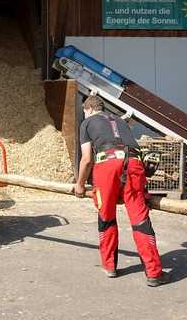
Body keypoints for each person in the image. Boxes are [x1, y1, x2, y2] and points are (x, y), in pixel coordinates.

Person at [74, 95, 168, 287]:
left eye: (85, 112)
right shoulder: (119, 120)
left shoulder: (87, 123)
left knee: (106, 217)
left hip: (106, 164)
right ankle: (154, 274)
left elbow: (86, 159)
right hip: (134, 164)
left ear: (89, 109)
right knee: (140, 220)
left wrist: (80, 184)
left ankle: (110, 267)